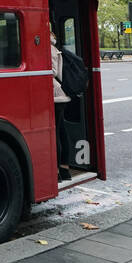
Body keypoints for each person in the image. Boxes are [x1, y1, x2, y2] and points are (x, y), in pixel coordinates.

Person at [50, 30, 71, 180]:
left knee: (56, 132)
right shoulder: (52, 46)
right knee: (61, 130)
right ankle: (65, 169)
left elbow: (53, 71)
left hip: (55, 95)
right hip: (58, 95)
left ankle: (57, 171)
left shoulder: (49, 48)